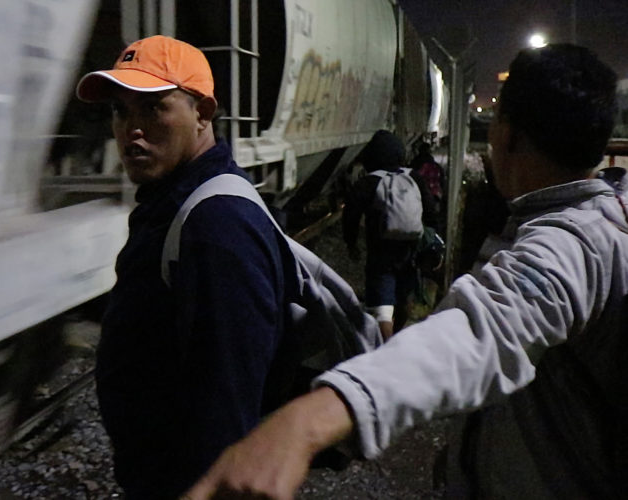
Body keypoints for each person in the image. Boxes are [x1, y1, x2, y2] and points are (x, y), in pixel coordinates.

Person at [185, 44, 627, 499]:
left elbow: (483, 332)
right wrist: (467, 454)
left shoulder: (574, 246)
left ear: (506, 134)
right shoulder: (592, 219)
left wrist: (308, 421)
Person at [76, 35, 292, 499]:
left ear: (203, 113)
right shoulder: (174, 203)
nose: (132, 128)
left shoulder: (216, 226)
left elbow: (227, 412)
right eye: (120, 111)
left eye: (154, 108)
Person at [342, 130, 428, 340]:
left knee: (382, 307)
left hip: (380, 251)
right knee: (405, 295)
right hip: (411, 249)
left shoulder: (368, 182)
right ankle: (397, 336)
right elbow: (431, 210)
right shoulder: (413, 177)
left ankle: (387, 347)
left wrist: (351, 243)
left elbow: (350, 215)